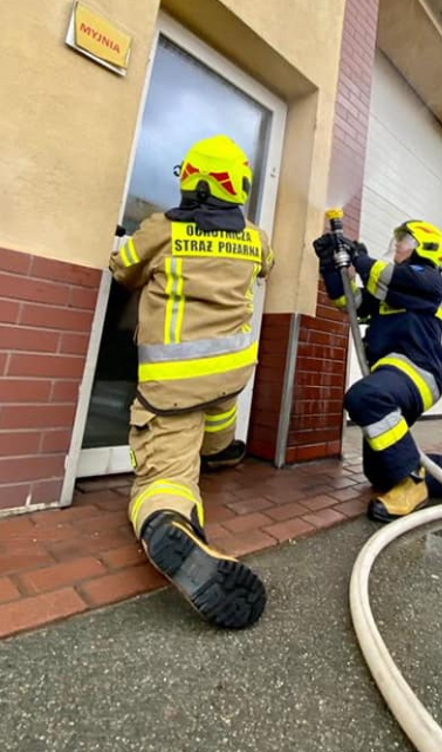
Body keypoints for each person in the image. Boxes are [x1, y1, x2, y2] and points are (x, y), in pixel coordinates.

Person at [108, 135, 274, 629]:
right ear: (238, 187)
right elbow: (268, 265)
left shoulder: (163, 230)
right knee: (218, 416)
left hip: (172, 388)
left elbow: (122, 267)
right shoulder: (254, 236)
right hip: (229, 378)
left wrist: (127, 241)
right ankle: (220, 450)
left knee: (164, 476)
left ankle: (167, 519)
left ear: (188, 181)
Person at [316, 220, 442, 522]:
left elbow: (388, 277)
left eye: (404, 239)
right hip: (391, 374)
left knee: (364, 398)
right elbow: (349, 303)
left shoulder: (429, 282)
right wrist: (330, 265)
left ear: (424, 247)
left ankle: (413, 486)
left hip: (418, 372)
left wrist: (356, 258)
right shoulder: (390, 289)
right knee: (381, 474)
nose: (397, 244)